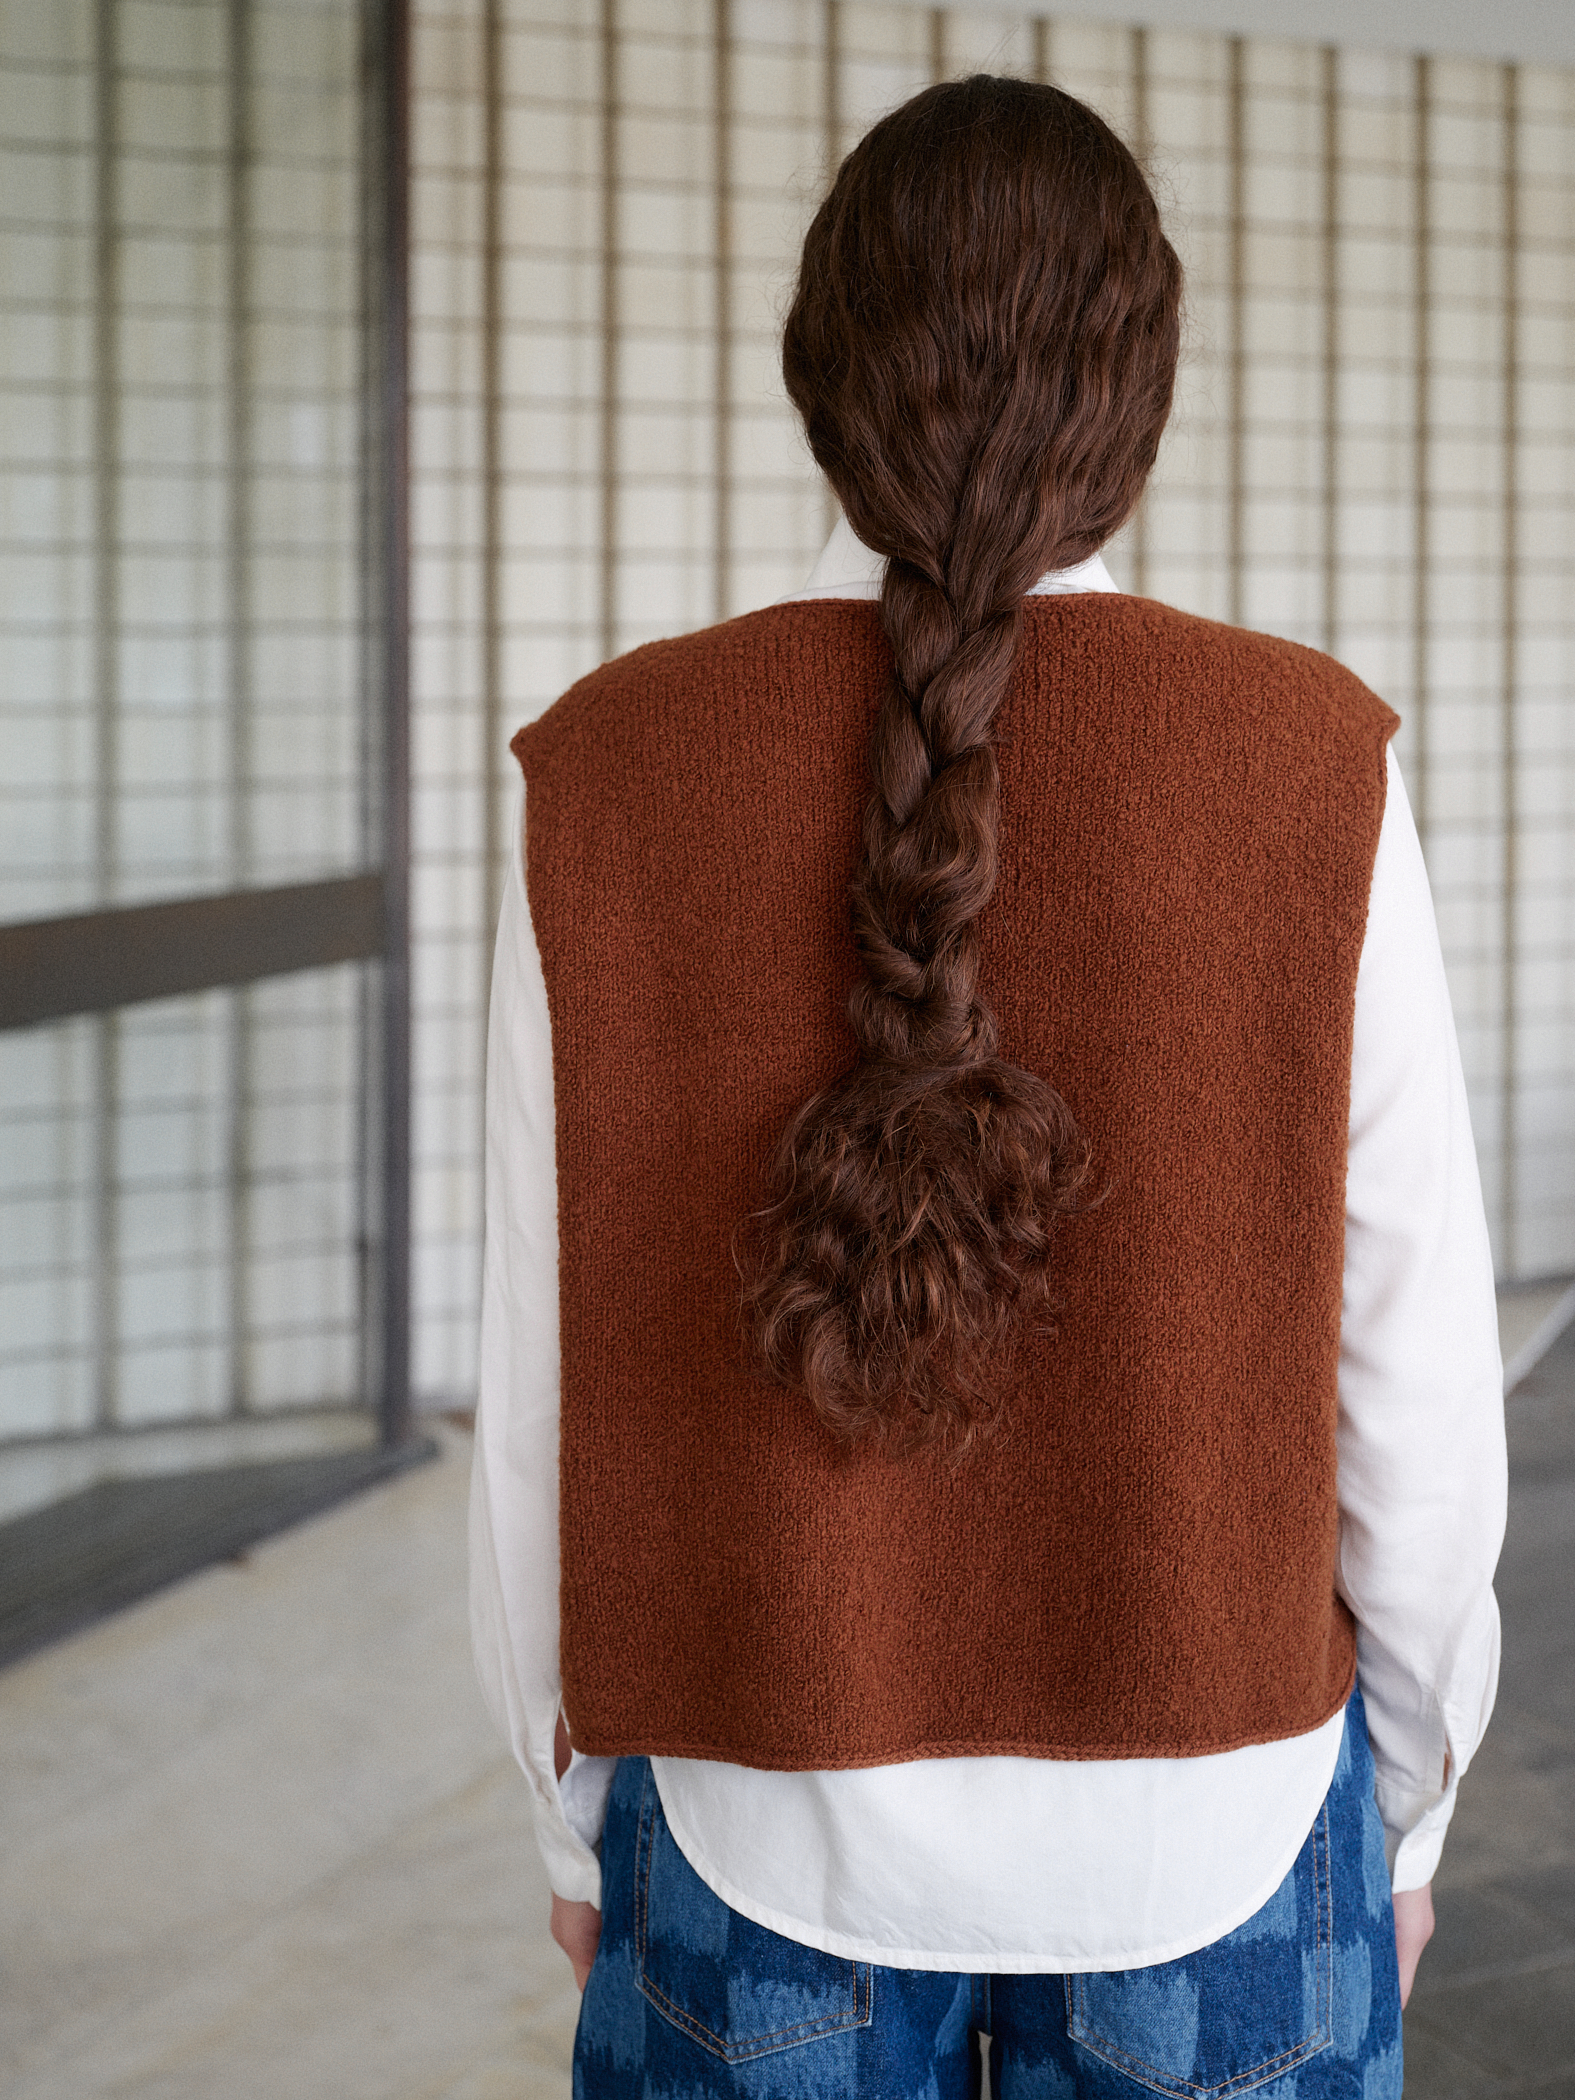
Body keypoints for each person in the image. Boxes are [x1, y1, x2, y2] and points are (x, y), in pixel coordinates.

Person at [470, 74, 1506, 2098]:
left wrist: (569, 1813)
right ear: (1141, 395)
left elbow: (541, 1374)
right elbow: (1411, 1371)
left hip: (752, 1821)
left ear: (821, 373)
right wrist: (1407, 1802)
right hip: (1219, 1830)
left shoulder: (609, 770)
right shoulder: (1305, 761)